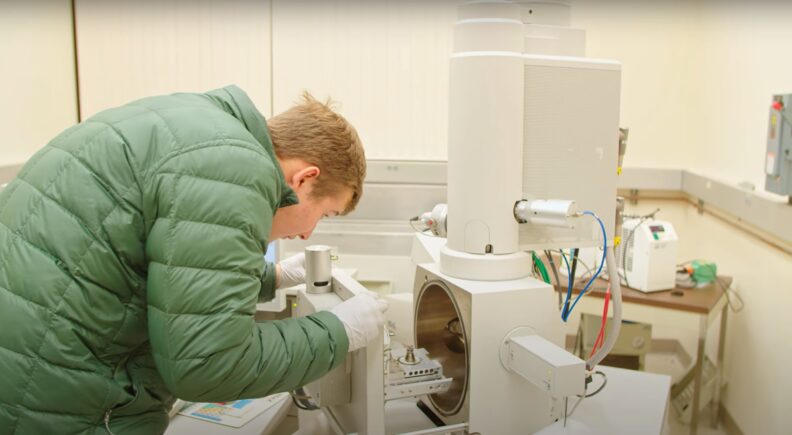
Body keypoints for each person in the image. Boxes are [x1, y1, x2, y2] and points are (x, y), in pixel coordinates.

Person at [0, 85, 387, 434]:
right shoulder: (235, 168)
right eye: (324, 214)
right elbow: (210, 365)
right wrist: (337, 332)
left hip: (26, 373)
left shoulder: (200, 127)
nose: (307, 234)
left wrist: (271, 277)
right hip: (59, 401)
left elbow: (150, 261)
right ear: (304, 179)